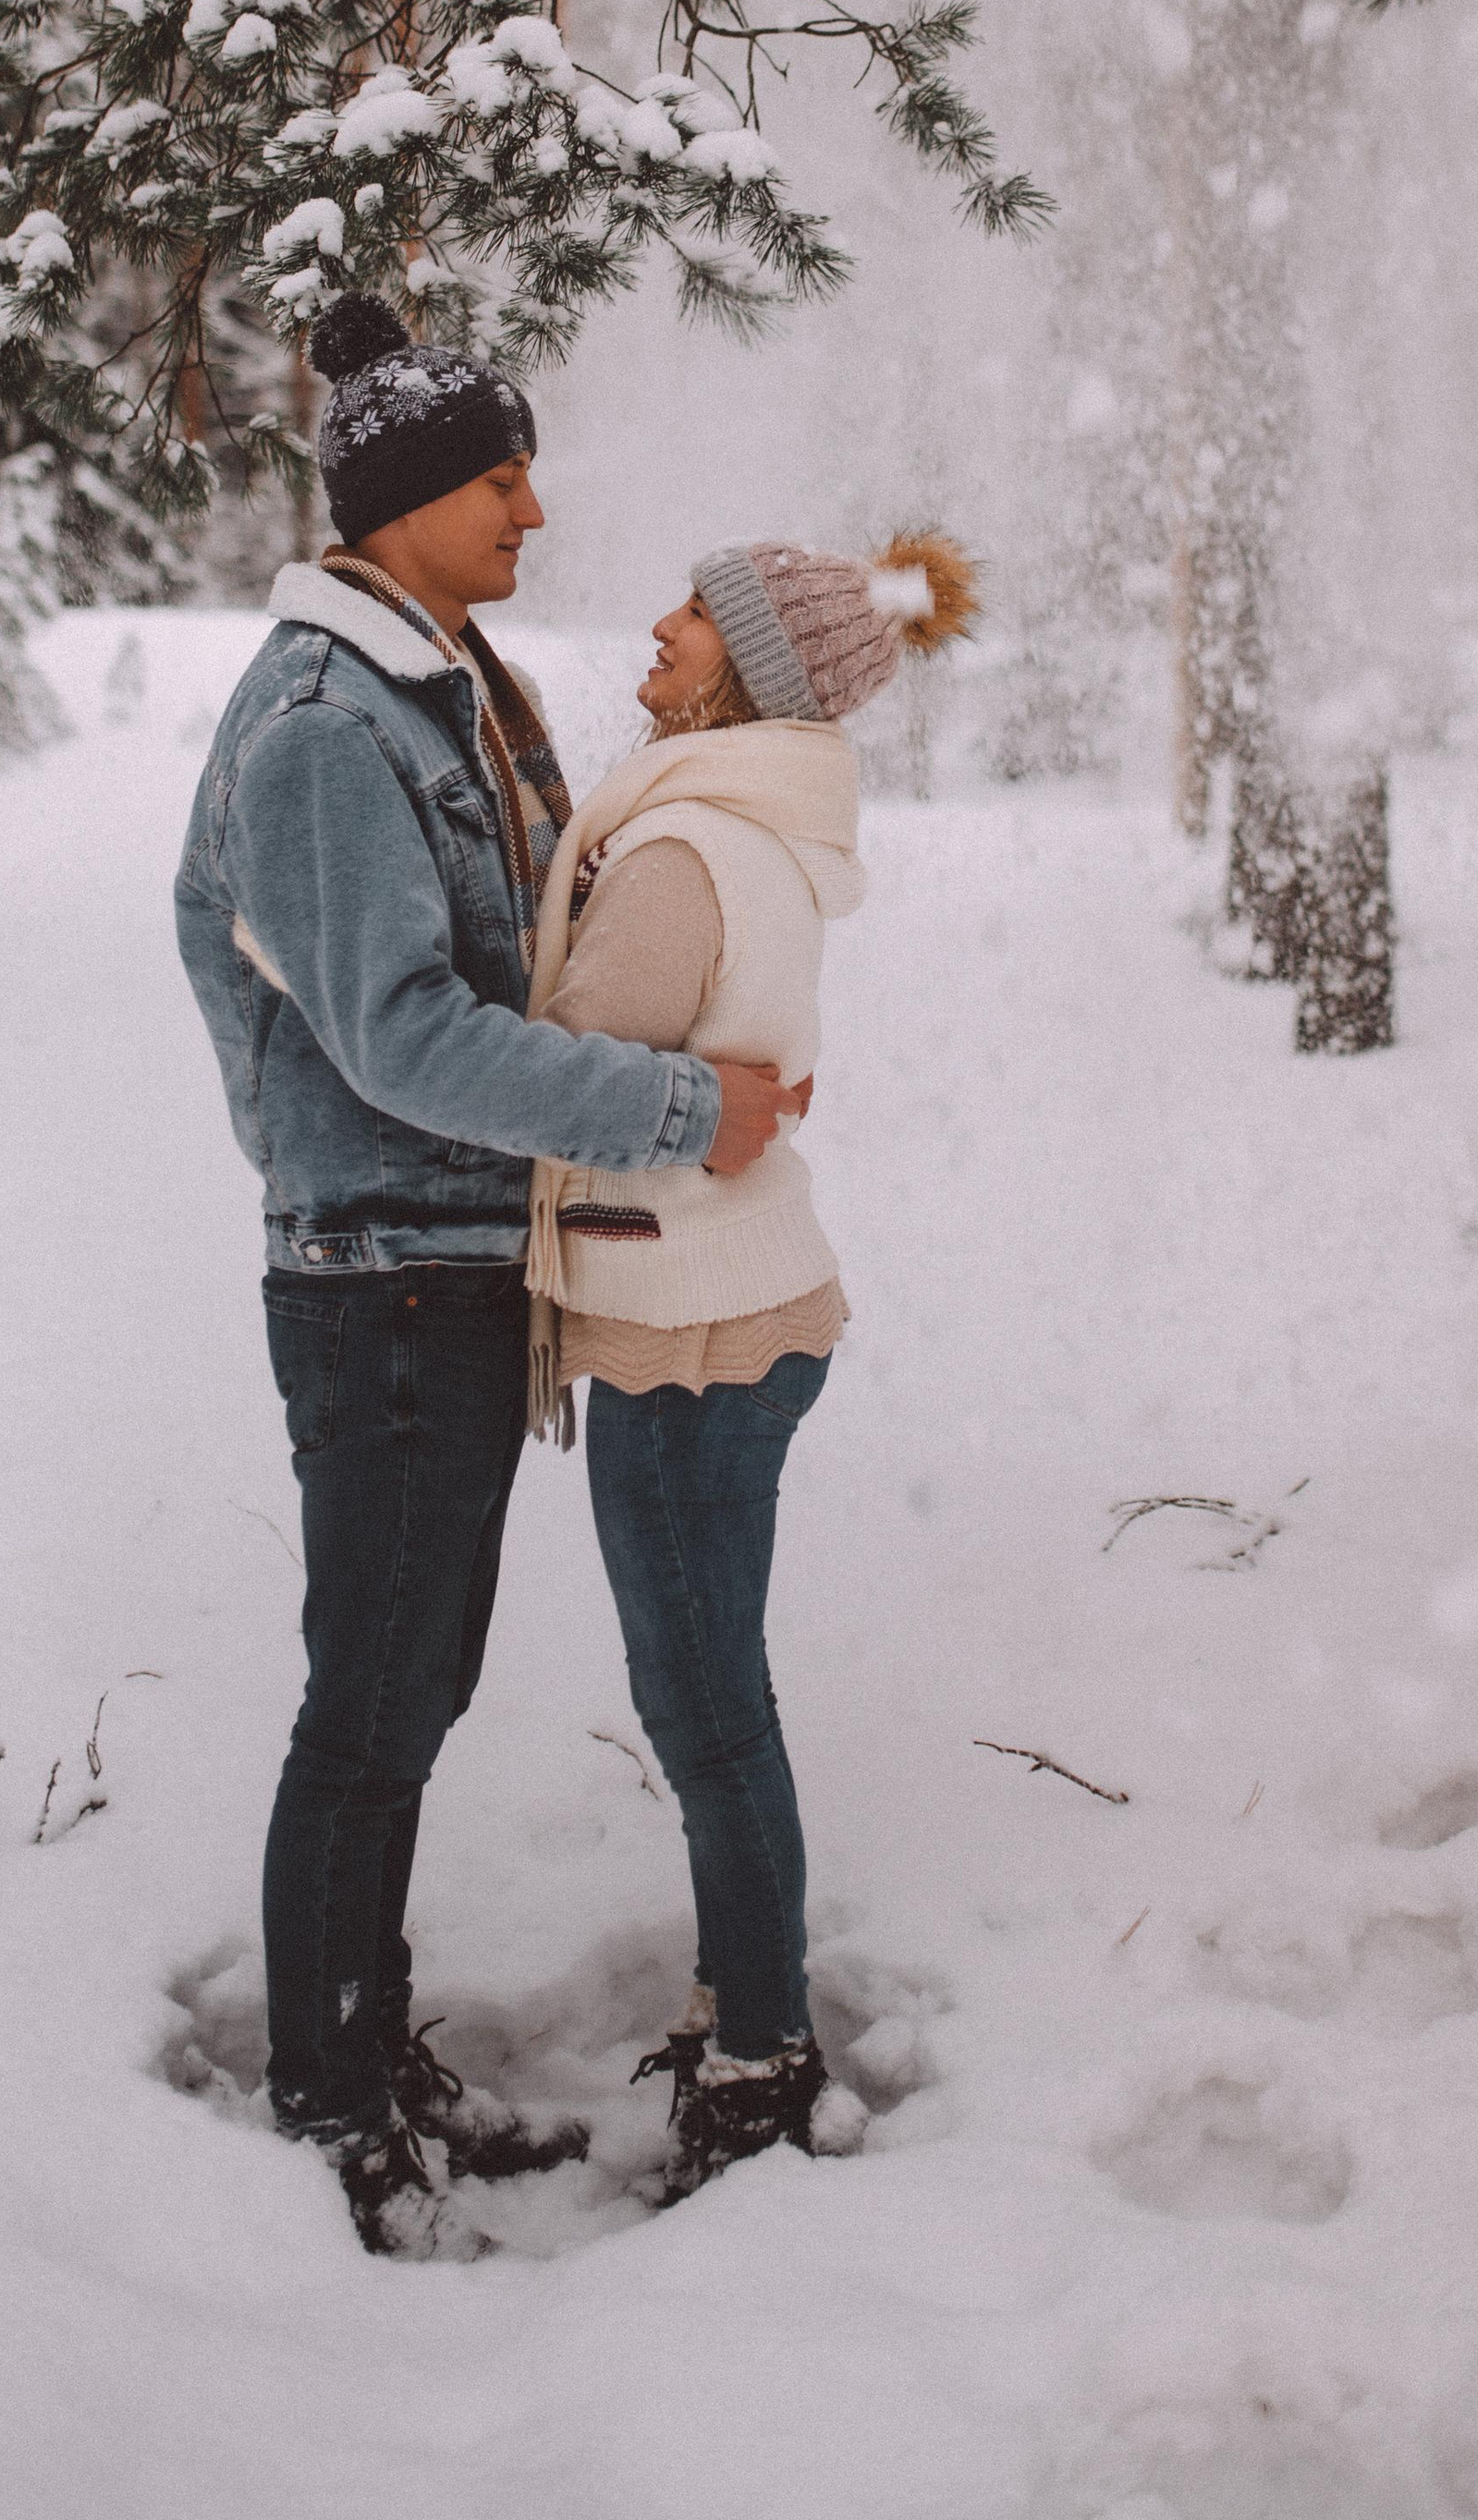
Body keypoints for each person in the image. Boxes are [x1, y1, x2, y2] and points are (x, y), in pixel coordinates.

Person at [174, 292, 803, 2253]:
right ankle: (326, 2101)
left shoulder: (440, 679)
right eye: (498, 476)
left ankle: (359, 2061)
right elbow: (404, 1036)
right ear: (400, 502)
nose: (534, 506)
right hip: (382, 1280)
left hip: (451, 1266)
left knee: (405, 1682)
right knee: (368, 1698)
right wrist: (666, 1107)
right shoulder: (320, 725)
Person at [528, 526, 977, 2201]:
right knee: (719, 1696)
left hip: (686, 1334)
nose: (659, 624)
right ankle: (745, 1996)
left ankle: (761, 2055)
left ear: (750, 671)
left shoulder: (684, 847)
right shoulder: (750, 828)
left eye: (694, 614)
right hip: (735, 1309)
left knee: (704, 1708)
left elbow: (561, 1065)